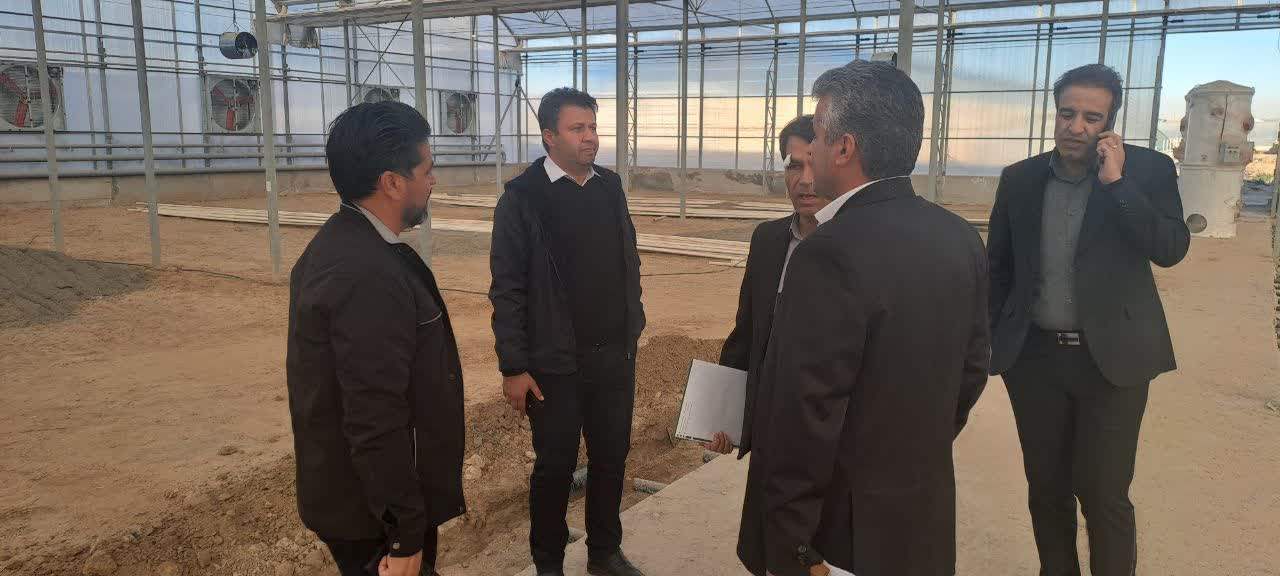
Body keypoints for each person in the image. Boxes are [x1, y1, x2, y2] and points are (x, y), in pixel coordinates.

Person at [737, 60, 990, 576]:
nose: (810, 151)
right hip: (920, 516)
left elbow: (804, 413)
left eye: (818, 134)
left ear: (844, 148)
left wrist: (792, 546)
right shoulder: (959, 236)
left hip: (844, 531)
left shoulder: (828, 252)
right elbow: (972, 368)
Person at [987, 63, 1189, 576]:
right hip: (1035, 361)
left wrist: (1117, 184)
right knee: (1046, 489)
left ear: (1109, 123)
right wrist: (992, 341)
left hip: (1114, 362)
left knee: (1104, 494)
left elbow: (1170, 248)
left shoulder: (1149, 171)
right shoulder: (1020, 179)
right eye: (1067, 113)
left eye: (1091, 117)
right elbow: (998, 269)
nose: (1075, 126)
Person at [286, 101, 465, 576]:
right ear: (392, 182)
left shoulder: (347, 246)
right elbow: (373, 412)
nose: (433, 181)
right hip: (373, 516)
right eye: (426, 170)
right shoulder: (364, 274)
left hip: (367, 502)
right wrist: (405, 531)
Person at [489, 87, 646, 576]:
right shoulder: (523, 198)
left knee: (611, 458)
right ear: (549, 136)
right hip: (554, 363)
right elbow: (507, 289)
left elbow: (628, 259)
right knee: (555, 467)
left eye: (593, 127)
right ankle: (549, 563)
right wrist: (514, 366)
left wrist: (632, 324)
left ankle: (604, 552)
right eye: (578, 128)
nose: (590, 138)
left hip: (612, 356)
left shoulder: (609, 187)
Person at [706, 114, 829, 455]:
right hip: (769, 428)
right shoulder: (767, 240)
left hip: (828, 434)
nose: (805, 180)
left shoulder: (859, 246)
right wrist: (724, 417)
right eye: (794, 166)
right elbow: (747, 333)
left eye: (815, 164)